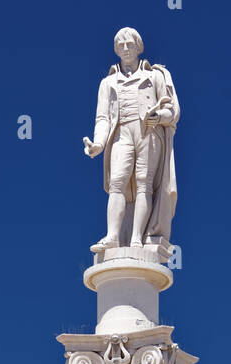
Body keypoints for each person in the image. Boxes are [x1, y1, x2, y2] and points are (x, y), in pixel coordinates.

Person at [84, 27, 179, 250]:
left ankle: (137, 238)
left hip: (148, 132)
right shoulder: (108, 83)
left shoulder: (155, 75)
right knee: (117, 182)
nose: (125, 49)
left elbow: (172, 110)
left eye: (129, 44)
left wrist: (160, 116)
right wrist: (98, 143)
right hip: (121, 134)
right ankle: (113, 236)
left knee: (144, 184)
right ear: (116, 50)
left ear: (138, 47)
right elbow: (103, 118)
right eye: (120, 45)